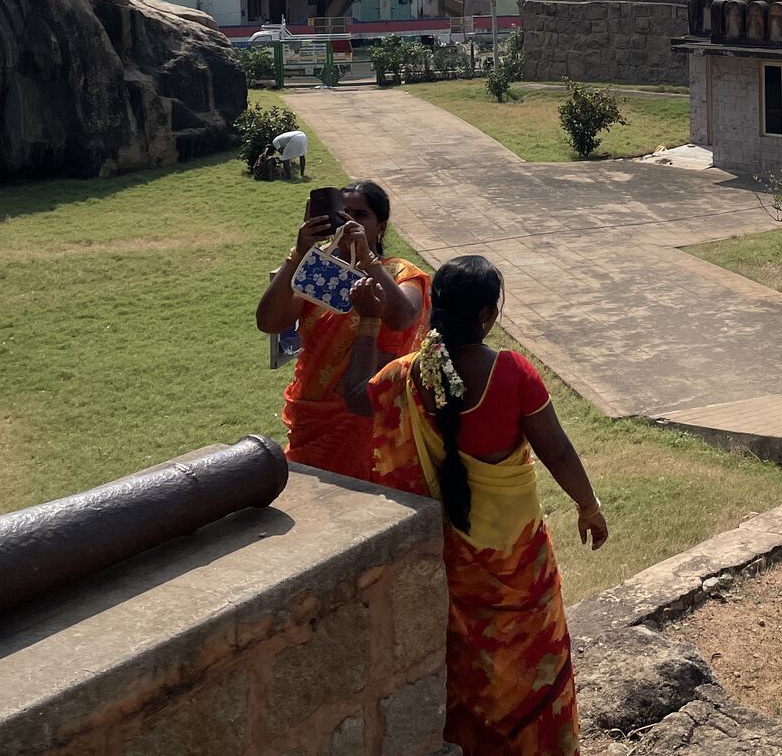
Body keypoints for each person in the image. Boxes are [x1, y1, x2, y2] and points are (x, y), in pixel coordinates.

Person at [358, 255, 605, 756]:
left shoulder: (407, 377)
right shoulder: (511, 372)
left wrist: (366, 323)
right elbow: (555, 448)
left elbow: (353, 396)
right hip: (520, 560)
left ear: (435, 309)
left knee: (468, 660)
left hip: (453, 560)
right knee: (536, 659)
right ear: (489, 315)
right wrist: (589, 506)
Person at [255, 179, 429, 481]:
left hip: (370, 419)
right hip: (314, 416)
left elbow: (402, 316)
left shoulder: (399, 272)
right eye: (342, 213)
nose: (348, 222)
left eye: (360, 216)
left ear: (380, 227)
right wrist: (298, 253)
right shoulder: (322, 269)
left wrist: (367, 259)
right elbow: (269, 322)